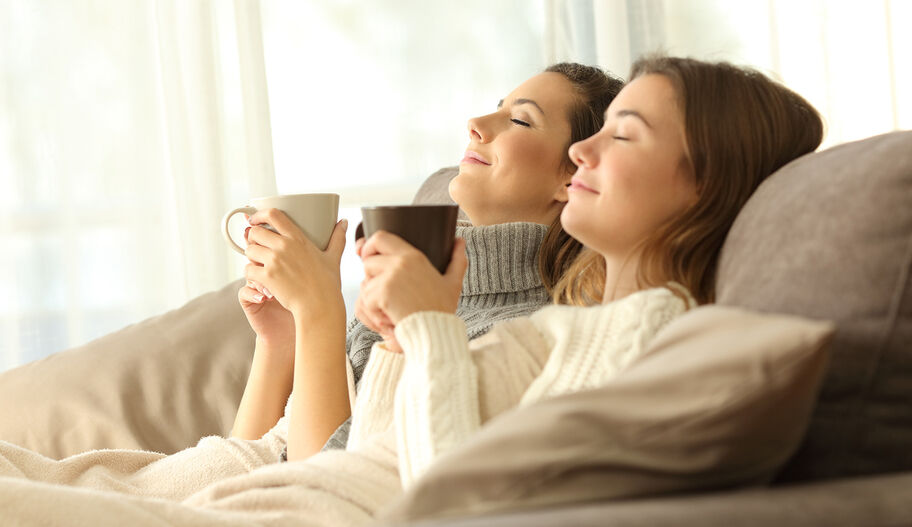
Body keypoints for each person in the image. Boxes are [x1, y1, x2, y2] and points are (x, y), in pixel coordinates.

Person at [0, 56, 823, 525]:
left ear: (704, 182)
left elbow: (426, 487)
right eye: (593, 133)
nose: (583, 154)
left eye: (621, 135)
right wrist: (319, 336)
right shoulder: (561, 323)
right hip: (264, 489)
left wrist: (398, 327)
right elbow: (323, 448)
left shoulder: (640, 335)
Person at [0, 62, 622, 493]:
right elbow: (251, 462)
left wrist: (322, 307)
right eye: (493, 106)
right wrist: (281, 341)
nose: (477, 124)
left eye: (518, 120)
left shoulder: (524, 333)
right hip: (200, 489)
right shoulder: (425, 291)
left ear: (575, 174)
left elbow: (330, 485)